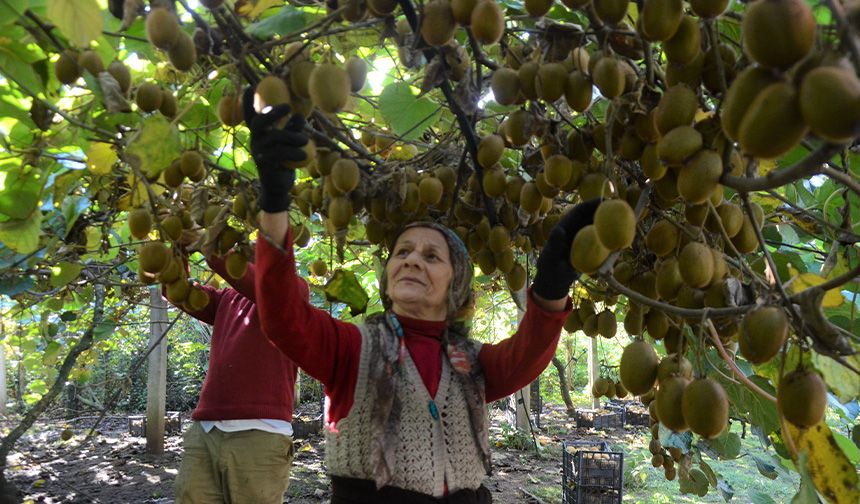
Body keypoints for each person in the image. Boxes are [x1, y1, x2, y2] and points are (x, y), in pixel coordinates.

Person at [243, 87, 599, 503]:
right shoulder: (354, 347)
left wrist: (552, 288)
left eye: (432, 256)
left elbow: (525, 357)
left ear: (457, 284)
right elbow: (284, 319)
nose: (412, 260)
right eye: (403, 252)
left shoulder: (472, 362)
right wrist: (273, 200)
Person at [169, 249, 305, 504]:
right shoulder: (227, 299)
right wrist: (176, 248)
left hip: (260, 434)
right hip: (206, 432)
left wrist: (205, 242)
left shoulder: (293, 291)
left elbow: (253, 281)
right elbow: (179, 292)